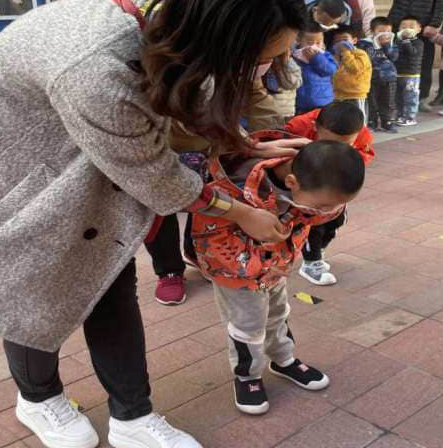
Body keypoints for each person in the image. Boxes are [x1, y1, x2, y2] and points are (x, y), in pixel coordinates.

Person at [0, 0, 309, 448]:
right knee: (31, 288)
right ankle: (37, 397)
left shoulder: (167, 15)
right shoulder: (96, 68)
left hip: (62, 163)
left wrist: (240, 143)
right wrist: (240, 212)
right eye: (261, 59)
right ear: (217, 39)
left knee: (106, 276)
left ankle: (132, 415)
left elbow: (169, 111)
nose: (265, 72)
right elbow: (156, 178)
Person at [191, 139, 365, 413]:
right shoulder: (232, 189)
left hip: (275, 266)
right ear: (293, 182)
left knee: (277, 313)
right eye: (324, 206)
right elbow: (211, 239)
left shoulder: (310, 187)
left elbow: (305, 218)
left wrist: (284, 257)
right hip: (238, 273)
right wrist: (258, 266)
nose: (326, 213)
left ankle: (283, 359)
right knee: (248, 324)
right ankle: (247, 376)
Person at [147, 58, 310, 306]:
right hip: (162, 152)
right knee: (166, 206)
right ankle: (169, 270)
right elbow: (195, 120)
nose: (266, 64)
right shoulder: (177, 71)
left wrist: (268, 140)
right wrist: (242, 212)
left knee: (208, 198)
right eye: (265, 55)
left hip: (211, 148)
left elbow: (260, 107)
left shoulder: (242, 69)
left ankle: (198, 252)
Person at [286, 102, 373, 285]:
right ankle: (311, 261)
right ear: (315, 127)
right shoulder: (297, 127)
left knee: (336, 220)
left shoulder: (362, 134)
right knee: (311, 222)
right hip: (309, 184)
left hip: (335, 185)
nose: (335, 150)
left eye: (344, 145)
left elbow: (363, 156)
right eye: (326, 142)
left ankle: (318, 250)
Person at [381, 0, 443, 111]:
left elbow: (441, 0)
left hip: (423, 26)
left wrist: (434, 24)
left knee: (423, 61)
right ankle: (394, 96)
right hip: (398, 24)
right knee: (395, 59)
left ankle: (421, 97)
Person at [358, 17, 399, 132]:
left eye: (388, 31)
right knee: (372, 101)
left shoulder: (391, 44)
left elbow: (394, 57)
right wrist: (376, 45)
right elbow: (366, 59)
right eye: (381, 31)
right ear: (372, 31)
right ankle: (372, 122)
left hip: (389, 78)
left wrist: (386, 45)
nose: (385, 34)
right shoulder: (364, 44)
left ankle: (388, 122)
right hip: (371, 78)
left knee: (388, 101)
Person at [292, 22, 337, 114]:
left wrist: (316, 58)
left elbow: (330, 70)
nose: (314, 46)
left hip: (323, 101)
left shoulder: (325, 55)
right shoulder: (294, 56)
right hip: (300, 102)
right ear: (298, 41)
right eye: (309, 43)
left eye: (318, 42)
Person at [329, 25, 372, 121]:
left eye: (345, 40)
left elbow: (355, 69)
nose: (341, 44)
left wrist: (346, 53)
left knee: (358, 120)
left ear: (354, 40)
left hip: (355, 95)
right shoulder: (335, 56)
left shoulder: (361, 54)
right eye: (337, 41)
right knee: (342, 121)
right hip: (338, 95)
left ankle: (361, 135)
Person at [394, 16, 424, 127]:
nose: (406, 29)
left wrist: (406, 40)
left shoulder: (418, 42)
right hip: (398, 73)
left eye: (411, 26)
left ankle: (410, 117)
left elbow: (412, 53)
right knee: (399, 96)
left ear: (419, 29)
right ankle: (400, 115)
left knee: (410, 97)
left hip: (411, 74)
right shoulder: (397, 41)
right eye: (403, 26)